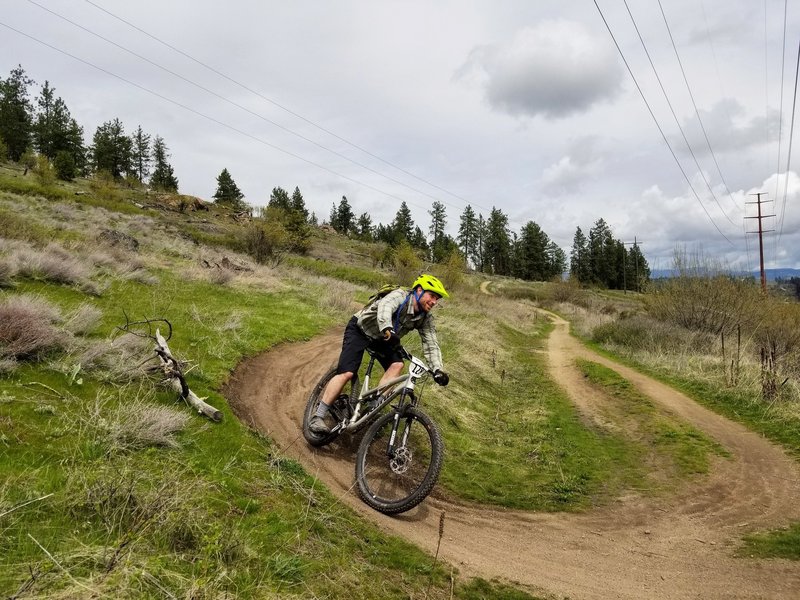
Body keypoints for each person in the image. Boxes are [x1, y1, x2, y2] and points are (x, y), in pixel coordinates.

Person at [308, 274, 450, 435]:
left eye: (437, 299)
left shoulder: (425, 318)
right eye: (432, 296)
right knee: (347, 372)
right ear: (418, 290)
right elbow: (385, 308)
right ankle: (318, 416)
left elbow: (431, 343)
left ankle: (373, 407)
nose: (434, 302)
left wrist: (438, 369)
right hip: (361, 330)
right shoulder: (400, 296)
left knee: (397, 364)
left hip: (384, 339)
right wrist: (388, 329)